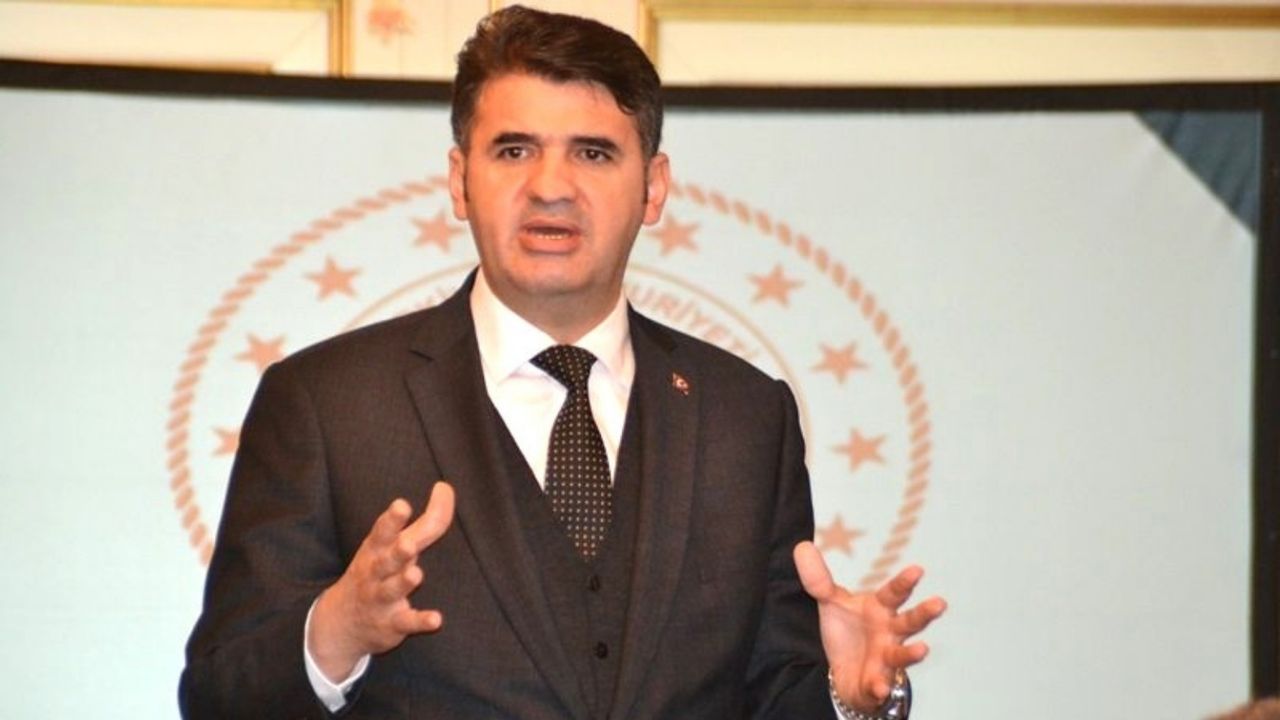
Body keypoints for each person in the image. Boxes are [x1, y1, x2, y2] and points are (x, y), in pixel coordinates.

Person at [179, 5, 945, 719]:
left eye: (594, 152)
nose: (551, 187)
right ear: (459, 181)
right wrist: (334, 633)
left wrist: (844, 695)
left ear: (653, 188)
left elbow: (772, 693)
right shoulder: (326, 403)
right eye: (514, 150)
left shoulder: (746, 416)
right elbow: (216, 695)